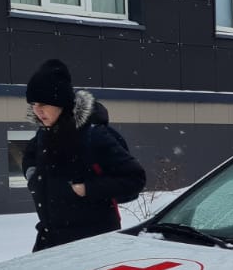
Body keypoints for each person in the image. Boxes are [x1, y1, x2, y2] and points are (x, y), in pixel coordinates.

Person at [22, 58, 145, 252]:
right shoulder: (43, 133)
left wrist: (87, 188)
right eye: (34, 104)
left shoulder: (93, 135)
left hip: (92, 242)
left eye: (43, 104)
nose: (38, 111)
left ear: (60, 102)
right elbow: (29, 156)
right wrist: (32, 176)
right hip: (49, 239)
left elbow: (135, 179)